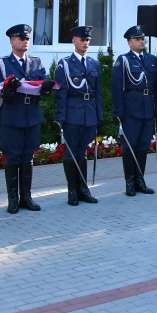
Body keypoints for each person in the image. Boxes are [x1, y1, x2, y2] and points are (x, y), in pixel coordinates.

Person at [0, 24, 53, 213]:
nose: (25, 41)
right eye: (21, 39)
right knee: (12, 158)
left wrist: (46, 88)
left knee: (28, 158)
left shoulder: (36, 62)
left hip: (31, 115)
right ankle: (12, 198)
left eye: (27, 39)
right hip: (12, 114)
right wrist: (9, 89)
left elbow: (42, 86)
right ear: (12, 42)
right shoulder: (2, 63)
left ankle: (26, 197)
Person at [54, 25, 102, 205]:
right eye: (82, 40)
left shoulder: (93, 63)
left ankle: (83, 189)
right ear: (73, 41)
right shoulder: (65, 64)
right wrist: (60, 119)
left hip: (89, 112)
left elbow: (97, 93)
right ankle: (72, 191)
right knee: (70, 154)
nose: (85, 43)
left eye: (87, 40)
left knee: (82, 153)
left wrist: (99, 116)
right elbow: (61, 93)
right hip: (72, 113)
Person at [112, 25, 157, 195]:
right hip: (130, 110)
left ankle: (140, 180)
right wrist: (119, 112)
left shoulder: (150, 60)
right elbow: (117, 88)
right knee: (130, 147)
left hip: (147, 108)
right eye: (137, 39)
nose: (141, 41)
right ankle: (130, 181)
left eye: (142, 38)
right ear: (129, 42)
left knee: (143, 146)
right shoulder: (123, 60)